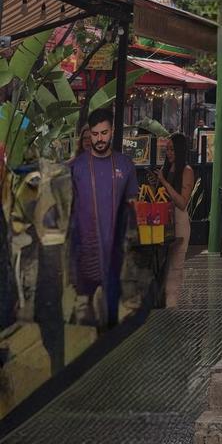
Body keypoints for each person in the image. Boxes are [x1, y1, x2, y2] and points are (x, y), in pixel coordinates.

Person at [70, 106, 138, 329]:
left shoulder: (126, 166)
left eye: (104, 133)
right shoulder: (76, 167)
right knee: (86, 317)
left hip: (116, 253)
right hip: (85, 251)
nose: (99, 139)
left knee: (112, 316)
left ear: (112, 131)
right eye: (95, 134)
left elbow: (132, 208)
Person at [158, 132, 194, 308]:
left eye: (172, 149)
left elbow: (182, 202)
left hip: (179, 222)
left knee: (175, 268)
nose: (169, 153)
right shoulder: (167, 169)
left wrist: (165, 183)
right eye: (167, 150)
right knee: (162, 267)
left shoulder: (187, 171)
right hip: (164, 220)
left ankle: (171, 306)